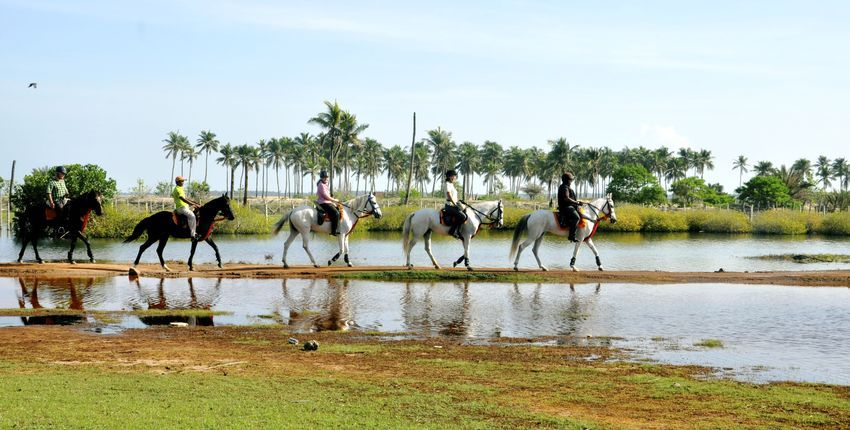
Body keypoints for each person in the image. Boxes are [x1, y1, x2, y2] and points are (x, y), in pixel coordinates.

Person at [557, 172, 583, 242]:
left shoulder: (566, 187)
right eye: (570, 180)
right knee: (577, 217)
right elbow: (566, 198)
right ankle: (571, 236)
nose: (571, 181)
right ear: (567, 180)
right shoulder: (564, 187)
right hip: (566, 207)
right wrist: (576, 202)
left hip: (569, 206)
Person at [444, 169, 467, 239]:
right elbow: (449, 195)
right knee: (463, 216)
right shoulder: (447, 184)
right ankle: (453, 231)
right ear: (450, 177)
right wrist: (455, 203)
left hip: (453, 204)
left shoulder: (451, 185)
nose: (455, 178)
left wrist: (459, 201)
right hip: (449, 206)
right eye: (454, 176)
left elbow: (454, 196)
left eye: (455, 176)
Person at [316, 171, 341, 235]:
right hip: (323, 202)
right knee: (336, 213)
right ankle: (333, 231)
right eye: (324, 177)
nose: (326, 178)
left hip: (327, 202)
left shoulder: (325, 184)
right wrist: (334, 200)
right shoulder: (321, 185)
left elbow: (328, 196)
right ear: (321, 178)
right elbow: (326, 196)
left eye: (326, 177)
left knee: (339, 209)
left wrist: (333, 202)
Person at [47, 166, 70, 233]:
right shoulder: (52, 182)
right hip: (56, 200)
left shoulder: (62, 181)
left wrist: (67, 193)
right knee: (61, 210)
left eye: (64, 174)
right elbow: (48, 192)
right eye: (62, 173)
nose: (63, 175)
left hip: (64, 199)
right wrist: (51, 202)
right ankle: (59, 227)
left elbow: (66, 190)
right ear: (57, 173)